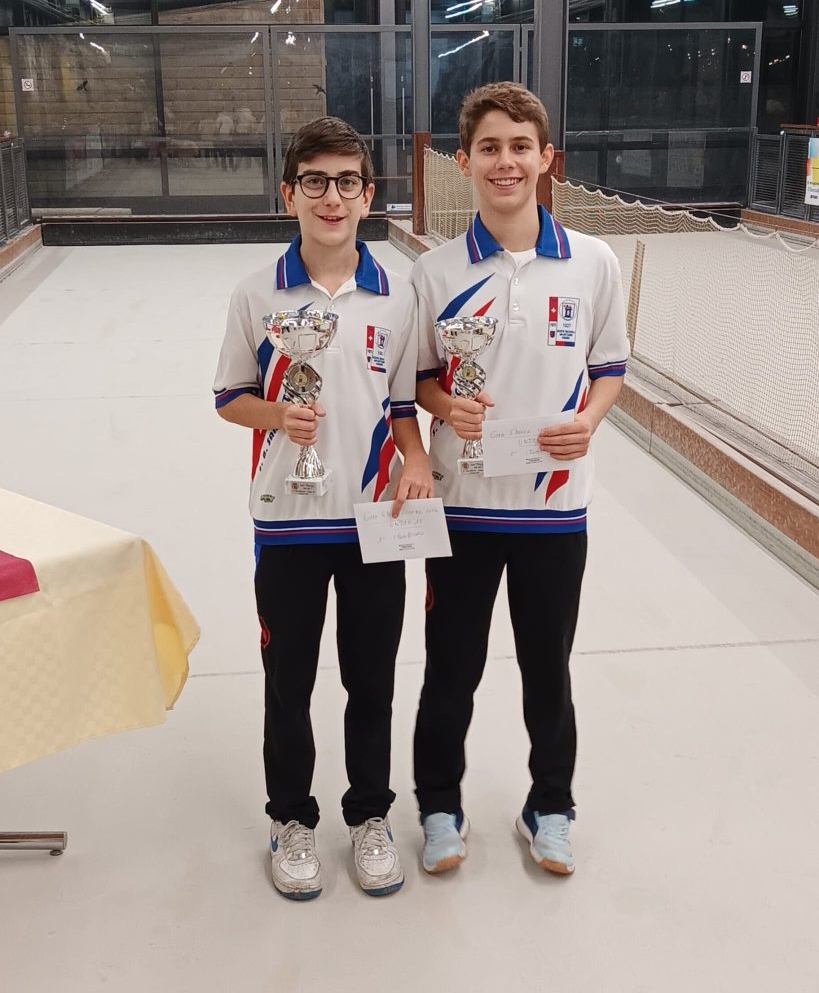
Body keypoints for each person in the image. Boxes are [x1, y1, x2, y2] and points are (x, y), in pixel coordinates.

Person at [411, 83, 629, 877]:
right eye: (489, 148)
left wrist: (589, 420)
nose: (505, 162)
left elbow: (609, 368)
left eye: (519, 147)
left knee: (548, 669)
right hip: (463, 507)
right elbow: (417, 382)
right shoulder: (433, 272)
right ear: (463, 162)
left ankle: (551, 806)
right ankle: (439, 807)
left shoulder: (594, 262)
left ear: (546, 159)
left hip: (554, 509)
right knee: (450, 670)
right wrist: (448, 407)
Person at [213, 116, 431, 900]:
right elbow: (228, 398)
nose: (330, 197)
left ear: (368, 196)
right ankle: (291, 820)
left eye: (346, 182)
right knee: (289, 684)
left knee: (372, 682)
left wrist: (416, 459)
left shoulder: (399, 294)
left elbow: (401, 403)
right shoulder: (256, 293)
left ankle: (369, 815)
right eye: (314, 182)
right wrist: (277, 415)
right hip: (287, 523)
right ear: (289, 194)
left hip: (374, 521)